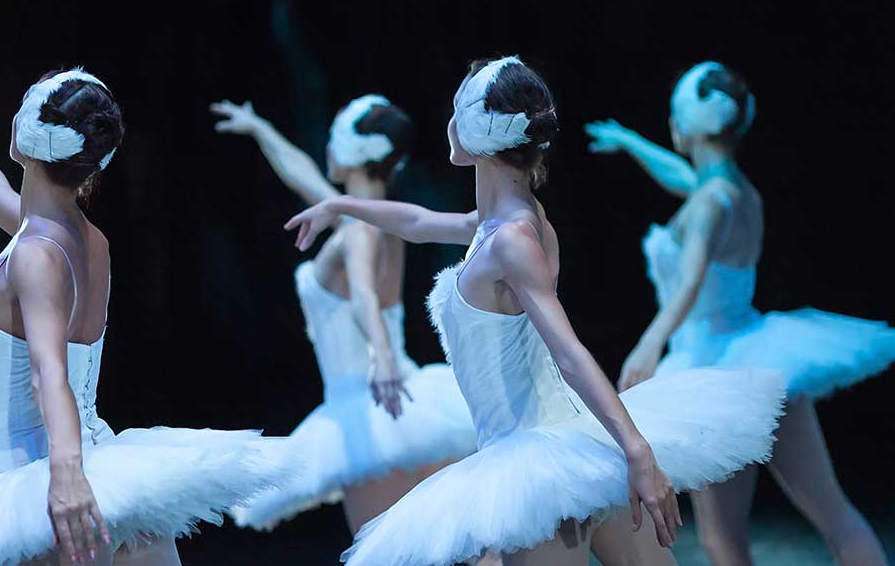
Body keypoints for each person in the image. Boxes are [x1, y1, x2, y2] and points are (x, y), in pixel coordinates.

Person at [285, 56, 785, 566]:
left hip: (538, 463)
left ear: (479, 132)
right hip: (568, 452)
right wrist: (340, 207)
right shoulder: (500, 224)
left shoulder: (512, 239)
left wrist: (637, 451)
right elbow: (415, 220)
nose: (450, 123)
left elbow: (568, 353)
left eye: (460, 110)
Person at [0, 69, 293, 566]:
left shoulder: (37, 254)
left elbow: (49, 373)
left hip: (44, 488)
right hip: (105, 468)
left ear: (26, 135)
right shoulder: (81, 239)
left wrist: (66, 477)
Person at [586, 60, 892, 566]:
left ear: (692, 125)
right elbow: (688, 177)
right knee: (833, 512)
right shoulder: (737, 193)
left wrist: (650, 342)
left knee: (721, 538)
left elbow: (689, 280)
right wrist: (632, 142)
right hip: (765, 360)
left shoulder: (709, 203)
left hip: (716, 368)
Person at [210, 96, 477, 538]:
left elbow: (364, 297)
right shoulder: (373, 218)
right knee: (463, 546)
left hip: (371, 402)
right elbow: (303, 177)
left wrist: (384, 358)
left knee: (385, 551)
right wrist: (261, 129)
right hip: (413, 404)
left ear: (350, 151)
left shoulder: (358, 228)